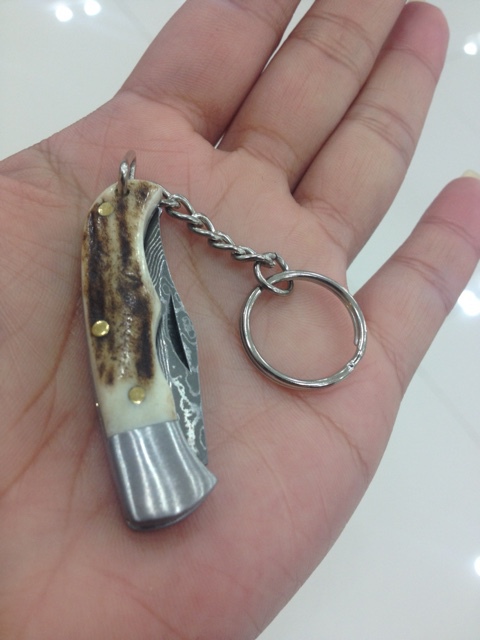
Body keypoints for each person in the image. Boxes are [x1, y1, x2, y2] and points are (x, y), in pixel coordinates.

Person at [0, 0, 479, 638]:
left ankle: (159, 472)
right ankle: (158, 472)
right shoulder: (115, 220)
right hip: (149, 457)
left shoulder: (120, 219)